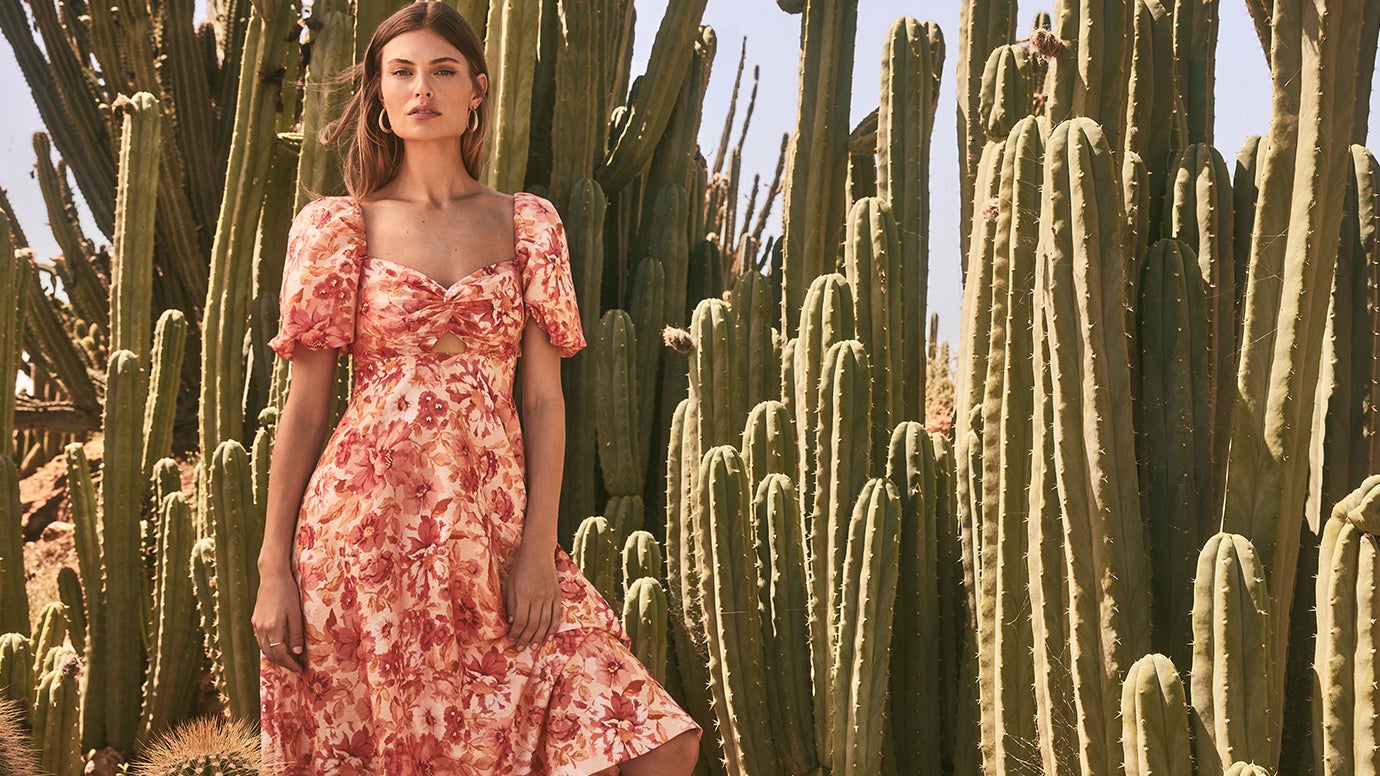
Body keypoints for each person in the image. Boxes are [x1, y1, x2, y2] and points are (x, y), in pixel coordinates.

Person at [252, 3, 701, 773]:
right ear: (380, 97)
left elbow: (543, 400)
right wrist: (272, 568)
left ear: (477, 90)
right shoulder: (336, 227)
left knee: (660, 743)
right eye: (402, 72)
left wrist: (536, 549)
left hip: (493, 532)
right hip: (364, 538)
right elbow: (305, 409)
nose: (421, 88)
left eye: (442, 70)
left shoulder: (529, 222)